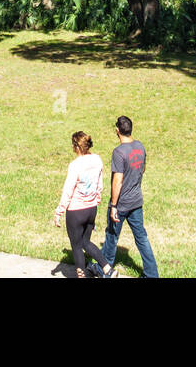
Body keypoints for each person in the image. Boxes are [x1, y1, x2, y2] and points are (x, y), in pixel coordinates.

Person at [100, 115, 158, 278]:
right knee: (142, 239)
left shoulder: (118, 152)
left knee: (111, 237)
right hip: (136, 201)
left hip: (121, 204)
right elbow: (142, 168)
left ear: (117, 131)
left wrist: (113, 205)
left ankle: (105, 269)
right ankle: (152, 274)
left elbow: (117, 181)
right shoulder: (140, 146)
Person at [53, 130, 116, 279]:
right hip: (91, 209)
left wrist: (59, 211)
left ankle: (81, 275)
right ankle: (107, 268)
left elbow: (68, 190)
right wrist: (96, 201)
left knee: (76, 245)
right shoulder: (97, 160)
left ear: (76, 146)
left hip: (76, 211)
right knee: (86, 242)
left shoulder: (75, 165)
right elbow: (99, 185)